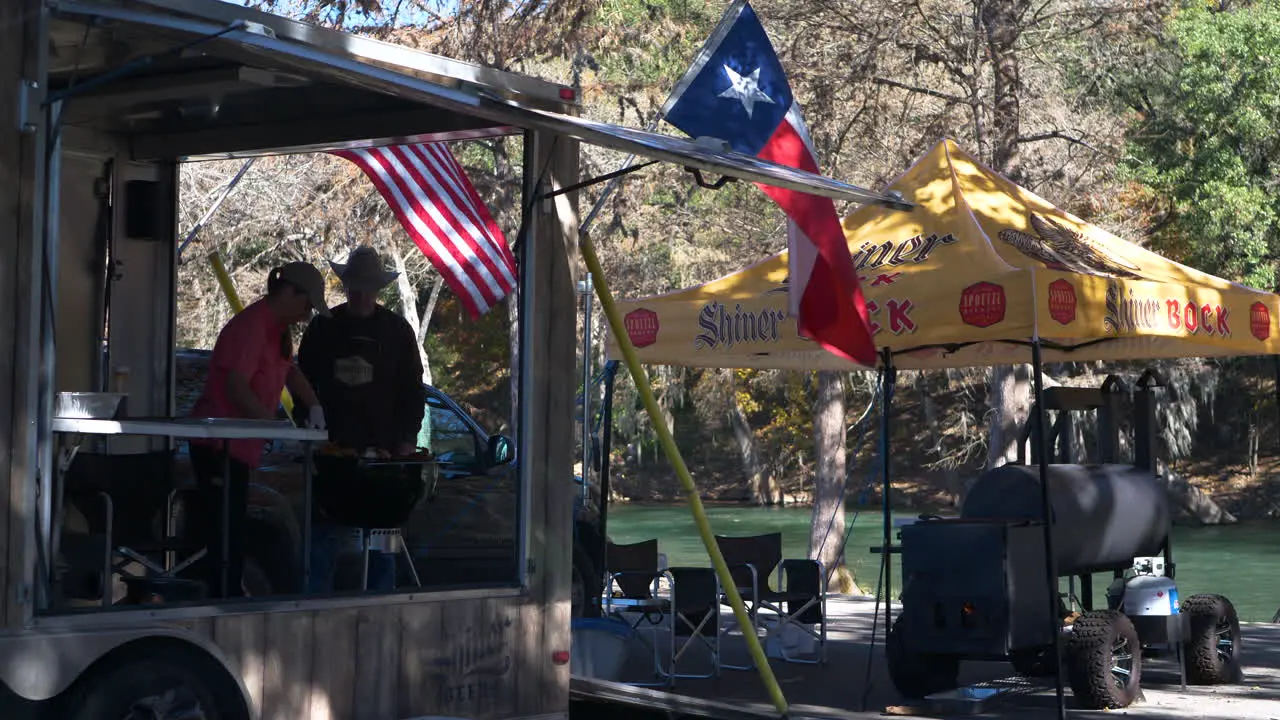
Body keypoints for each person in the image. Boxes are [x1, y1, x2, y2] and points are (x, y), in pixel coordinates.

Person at [188, 261, 330, 598]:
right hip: (218, 448)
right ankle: (221, 603)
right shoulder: (251, 326)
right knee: (225, 538)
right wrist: (275, 426)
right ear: (290, 292)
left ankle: (229, 596)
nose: (307, 314)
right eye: (307, 304)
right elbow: (237, 388)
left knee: (234, 533)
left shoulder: (278, 329)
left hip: (239, 451)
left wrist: (314, 406)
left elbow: (288, 372)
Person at [298, 246, 426, 593]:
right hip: (332, 454)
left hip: (383, 455)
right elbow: (300, 381)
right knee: (323, 537)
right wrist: (310, 432)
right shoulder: (324, 327)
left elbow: (414, 391)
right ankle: (315, 609)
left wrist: (406, 440)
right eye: (354, 286)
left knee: (382, 543)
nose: (360, 294)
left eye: (367, 287)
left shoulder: (397, 331)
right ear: (345, 286)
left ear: (378, 289)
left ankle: (379, 612)